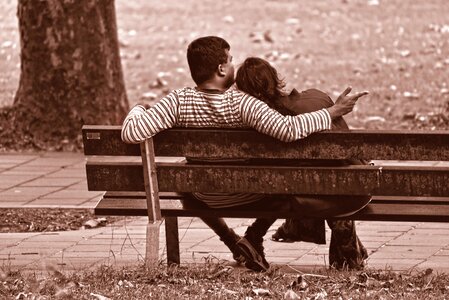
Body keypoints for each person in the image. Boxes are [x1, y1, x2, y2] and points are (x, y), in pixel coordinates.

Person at [121, 36, 370, 272]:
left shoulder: (177, 101)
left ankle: (234, 240)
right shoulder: (243, 104)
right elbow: (288, 129)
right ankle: (254, 237)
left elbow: (132, 132)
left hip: (203, 194)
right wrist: (333, 111)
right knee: (285, 181)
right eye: (230, 60)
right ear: (220, 69)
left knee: (186, 180)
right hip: (247, 194)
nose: (233, 66)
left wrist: (138, 109)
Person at [235, 57, 371, 270]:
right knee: (333, 179)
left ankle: (262, 233)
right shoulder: (315, 99)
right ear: (275, 77)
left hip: (300, 191)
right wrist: (333, 109)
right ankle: (348, 255)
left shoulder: (261, 123)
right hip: (348, 188)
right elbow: (347, 157)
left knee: (303, 182)